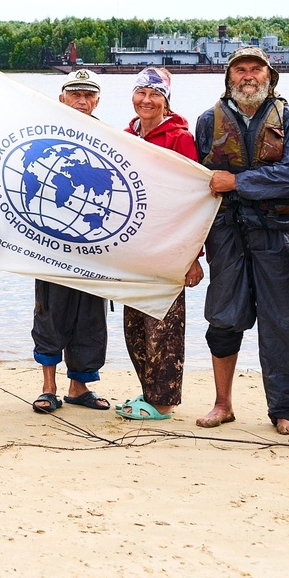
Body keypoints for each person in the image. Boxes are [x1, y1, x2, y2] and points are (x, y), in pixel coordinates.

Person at [194, 46, 289, 435]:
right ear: (229, 79)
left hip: (277, 234)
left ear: (269, 77)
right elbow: (198, 181)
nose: (247, 76)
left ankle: (285, 408)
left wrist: (238, 182)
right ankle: (222, 403)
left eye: (255, 70)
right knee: (223, 320)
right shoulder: (208, 121)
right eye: (239, 70)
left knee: (282, 322)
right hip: (226, 233)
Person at [116, 67, 203, 420]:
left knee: (163, 327)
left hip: (169, 246)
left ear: (166, 101)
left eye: (155, 95)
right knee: (134, 325)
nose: (146, 101)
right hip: (133, 246)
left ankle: (164, 401)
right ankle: (149, 392)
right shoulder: (124, 135)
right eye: (141, 93)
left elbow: (195, 198)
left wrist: (193, 255)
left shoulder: (180, 138)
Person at [31, 70, 110, 414]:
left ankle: (79, 387)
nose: (81, 99)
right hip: (51, 242)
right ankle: (48, 386)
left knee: (90, 318)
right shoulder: (44, 136)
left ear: (97, 100)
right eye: (75, 93)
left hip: (94, 243)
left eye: (88, 94)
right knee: (49, 314)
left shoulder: (110, 140)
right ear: (61, 98)